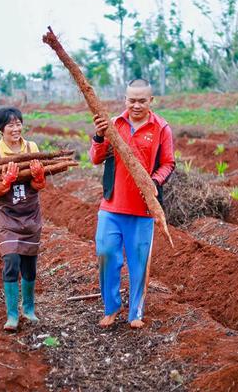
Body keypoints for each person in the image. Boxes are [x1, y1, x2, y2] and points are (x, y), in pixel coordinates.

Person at [89, 78, 175, 329]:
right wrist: (98, 135)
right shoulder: (113, 124)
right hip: (112, 205)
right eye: (131, 100)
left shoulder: (161, 127)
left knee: (139, 263)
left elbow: (168, 163)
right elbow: (95, 158)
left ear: (151, 101)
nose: (136, 105)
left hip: (142, 210)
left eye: (142, 101)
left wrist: (153, 183)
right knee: (105, 254)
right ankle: (110, 307)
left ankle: (135, 312)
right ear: (125, 99)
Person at [0, 107, 46, 332]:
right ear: (1, 128)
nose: (16, 128)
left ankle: (28, 309)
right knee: (11, 261)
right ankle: (12, 315)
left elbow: (39, 186)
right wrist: (6, 182)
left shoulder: (32, 148)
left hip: (30, 214)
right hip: (7, 216)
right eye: (10, 125)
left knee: (29, 264)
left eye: (19, 123)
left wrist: (38, 177)